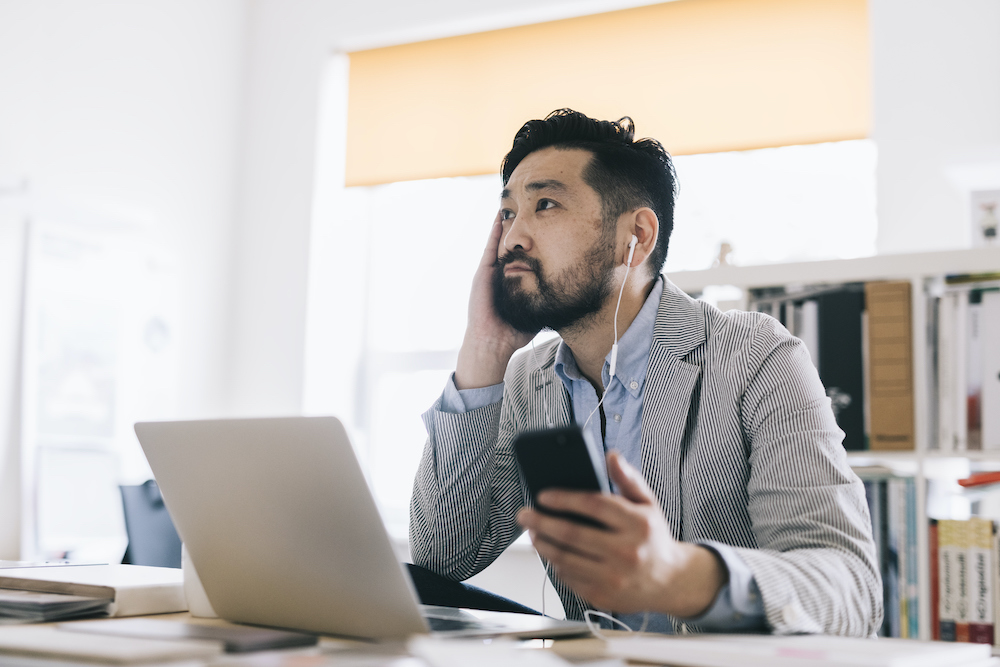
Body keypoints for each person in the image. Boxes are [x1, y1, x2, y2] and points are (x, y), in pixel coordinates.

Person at [409, 109, 882, 635]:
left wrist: (678, 575)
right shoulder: (528, 379)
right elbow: (442, 558)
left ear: (636, 235)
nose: (512, 238)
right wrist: (485, 348)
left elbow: (851, 592)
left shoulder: (754, 355)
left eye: (545, 204)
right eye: (506, 214)